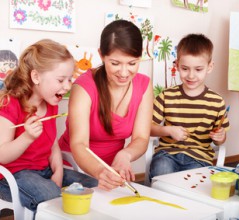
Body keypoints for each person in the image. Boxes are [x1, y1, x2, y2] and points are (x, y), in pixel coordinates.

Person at [0, 39, 98, 212]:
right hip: (13, 177)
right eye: (61, 80)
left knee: (93, 187)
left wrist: (58, 170)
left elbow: (51, 143)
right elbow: (2, 156)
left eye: (69, 79)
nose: (67, 86)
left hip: (44, 170)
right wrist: (27, 137)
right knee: (52, 199)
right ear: (36, 76)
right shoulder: (10, 103)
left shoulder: (50, 103)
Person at [59, 20, 153, 191]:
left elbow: (141, 138)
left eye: (132, 63)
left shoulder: (144, 86)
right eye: (115, 63)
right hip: (74, 167)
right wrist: (100, 171)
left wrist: (125, 154)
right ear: (101, 55)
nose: (124, 73)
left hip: (113, 171)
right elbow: (79, 144)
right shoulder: (83, 87)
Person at [149, 33, 230, 181]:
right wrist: (168, 130)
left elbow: (220, 140)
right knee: (161, 170)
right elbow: (148, 127)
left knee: (193, 182)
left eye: (198, 69)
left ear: (209, 67)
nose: (191, 75)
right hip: (167, 154)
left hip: (199, 159)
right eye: (185, 68)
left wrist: (220, 137)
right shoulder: (166, 96)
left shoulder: (216, 101)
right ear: (177, 65)